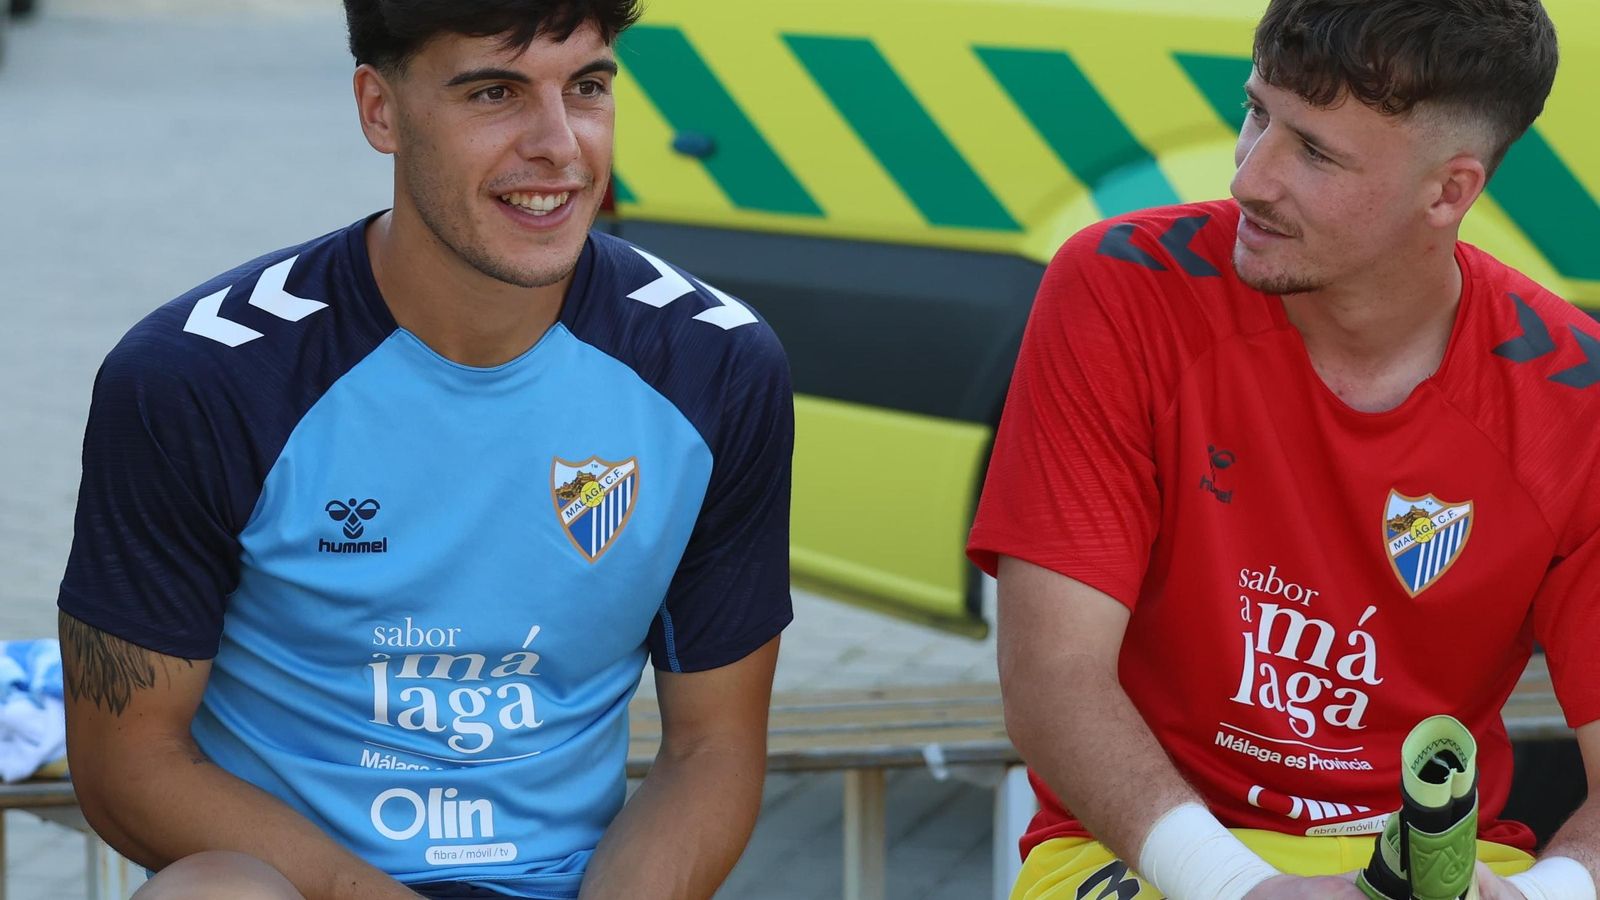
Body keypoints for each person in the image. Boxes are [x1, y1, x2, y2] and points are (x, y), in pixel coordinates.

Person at [55, 1, 794, 897]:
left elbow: (711, 748)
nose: (561, 146)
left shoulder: (715, 362)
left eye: (588, 87)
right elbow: (128, 766)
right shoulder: (196, 377)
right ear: (380, 109)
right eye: (495, 91)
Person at [967, 1, 1600, 898]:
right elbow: (1050, 678)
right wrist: (1240, 888)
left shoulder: (1577, 393)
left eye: (1315, 152)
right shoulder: (1118, 286)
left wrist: (1545, 893)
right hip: (1149, 848)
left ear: (1448, 191)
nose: (1250, 178)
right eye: (1256, 111)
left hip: (1438, 866)